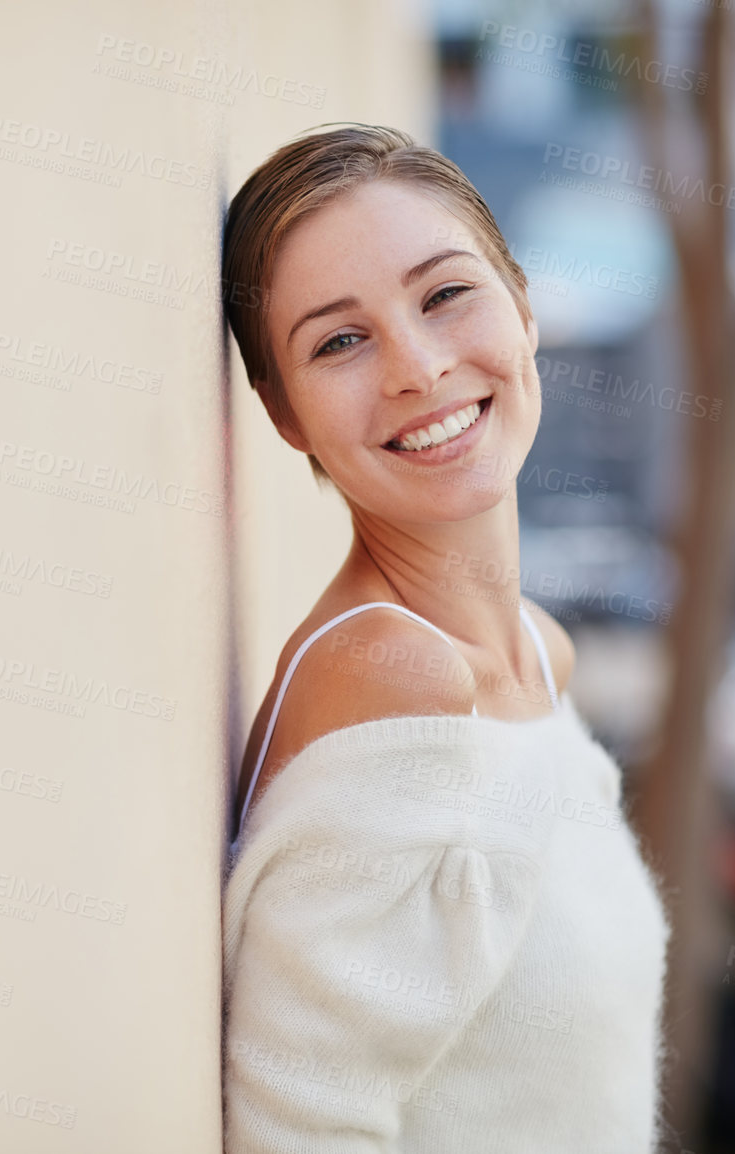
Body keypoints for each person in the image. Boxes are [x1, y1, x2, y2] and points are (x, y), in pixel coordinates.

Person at [219, 124, 671, 1152]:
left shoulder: (536, 650)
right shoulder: (393, 678)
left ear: (522, 304)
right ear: (283, 412)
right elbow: (301, 1128)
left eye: (444, 294)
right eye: (338, 340)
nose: (418, 368)